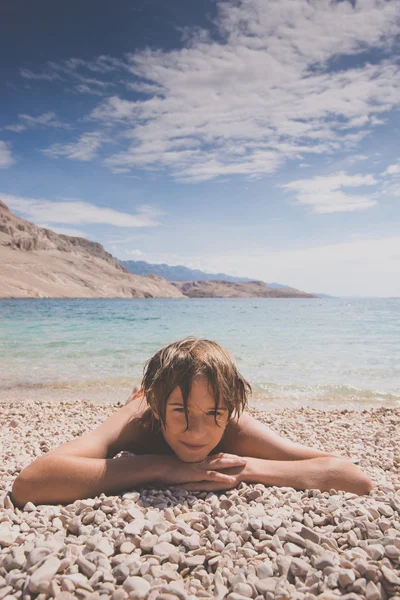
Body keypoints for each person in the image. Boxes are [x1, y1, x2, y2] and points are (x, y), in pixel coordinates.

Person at [11, 338, 373, 507]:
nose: (198, 433)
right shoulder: (138, 419)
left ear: (229, 409)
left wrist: (240, 468)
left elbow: (352, 477)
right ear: (158, 408)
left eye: (213, 414)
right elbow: (30, 483)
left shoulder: (234, 425)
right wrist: (159, 468)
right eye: (180, 412)